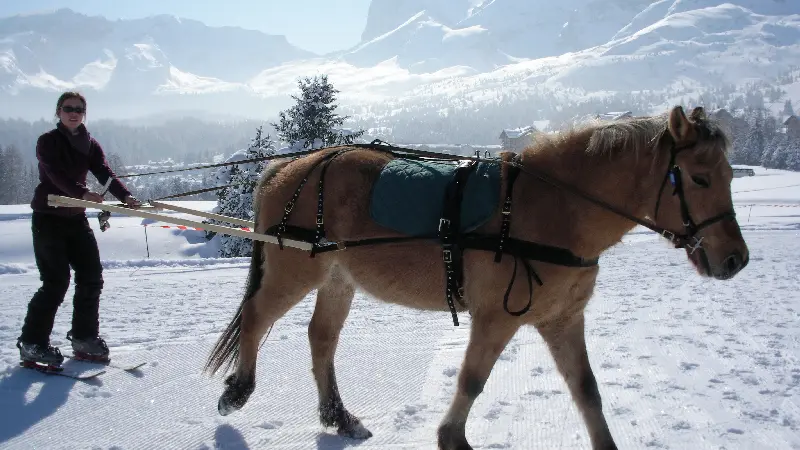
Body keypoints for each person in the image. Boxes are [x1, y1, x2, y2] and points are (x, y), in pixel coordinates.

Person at [17, 91, 141, 367]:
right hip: (49, 218)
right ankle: (32, 343)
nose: (73, 113)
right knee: (55, 282)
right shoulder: (47, 142)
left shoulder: (90, 144)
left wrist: (126, 197)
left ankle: (84, 338)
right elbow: (54, 174)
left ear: (84, 114)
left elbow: (105, 174)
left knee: (91, 277)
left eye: (79, 109)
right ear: (58, 112)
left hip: (75, 219)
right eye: (68, 108)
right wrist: (81, 193)